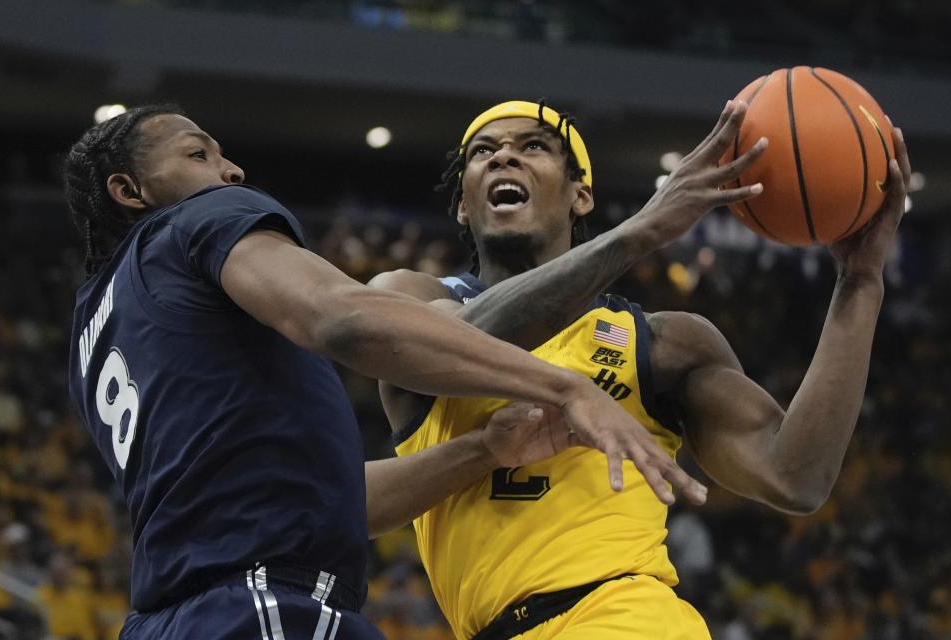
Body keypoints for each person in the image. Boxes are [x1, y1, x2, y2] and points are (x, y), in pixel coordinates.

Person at [63, 105, 707, 640]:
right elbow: (343, 319)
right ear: (130, 191)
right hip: (257, 600)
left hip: (168, 617)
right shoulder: (200, 220)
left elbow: (330, 495)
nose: (230, 170)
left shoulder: (97, 330)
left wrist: (483, 449)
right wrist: (565, 385)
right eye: (198, 156)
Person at [369, 99, 911, 639]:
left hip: (629, 619)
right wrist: (642, 230)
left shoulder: (663, 341)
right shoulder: (408, 300)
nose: (503, 157)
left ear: (580, 196)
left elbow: (796, 477)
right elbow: (457, 345)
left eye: (533, 146)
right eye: (482, 151)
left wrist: (859, 287)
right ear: (464, 204)